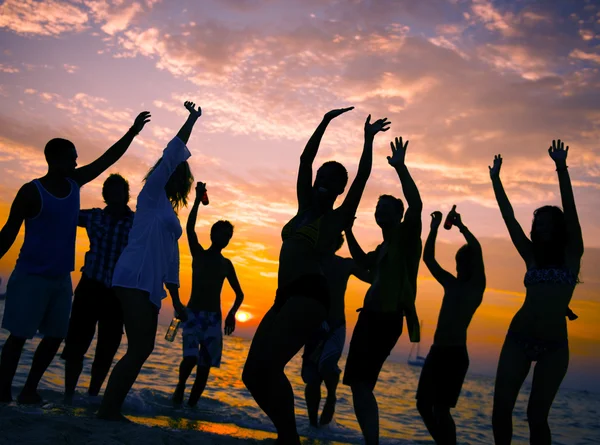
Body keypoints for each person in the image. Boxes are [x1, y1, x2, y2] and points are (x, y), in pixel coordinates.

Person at [242, 108, 390, 444]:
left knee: (269, 368)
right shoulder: (302, 208)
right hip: (285, 295)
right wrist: (324, 122)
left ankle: (289, 436)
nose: (325, 181)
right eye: (322, 176)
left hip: (310, 294)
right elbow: (305, 159)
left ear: (339, 189)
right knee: (252, 373)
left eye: (334, 180)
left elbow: (363, 178)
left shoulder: (338, 218)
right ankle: (288, 435)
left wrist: (367, 140)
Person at [0, 111, 150, 404]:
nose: (76, 163)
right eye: (71, 158)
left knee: (56, 337)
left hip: (61, 279)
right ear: (54, 160)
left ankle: (29, 389)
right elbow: (7, 234)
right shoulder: (32, 191)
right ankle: (3, 391)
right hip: (30, 275)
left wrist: (132, 133)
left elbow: (107, 160)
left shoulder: (75, 184)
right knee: (18, 337)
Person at [97, 101, 201, 421]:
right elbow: (172, 153)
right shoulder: (151, 194)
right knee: (140, 349)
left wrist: (179, 301)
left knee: (141, 350)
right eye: (180, 173)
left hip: (150, 283)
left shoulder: (168, 212)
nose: (183, 178)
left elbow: (173, 261)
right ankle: (108, 411)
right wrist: (191, 119)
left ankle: (109, 409)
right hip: (133, 276)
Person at [490, 140, 584, 445]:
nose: (539, 228)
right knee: (500, 410)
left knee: (536, 417)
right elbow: (509, 219)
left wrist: (560, 167)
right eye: (537, 224)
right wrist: (496, 181)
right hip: (519, 337)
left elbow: (570, 209)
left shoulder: (573, 254)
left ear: (558, 228)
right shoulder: (530, 255)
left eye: (546, 224)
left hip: (554, 346)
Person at [343, 136, 423, 445]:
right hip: (369, 318)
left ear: (399, 215)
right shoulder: (383, 246)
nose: (380, 211)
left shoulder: (406, 238)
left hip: (386, 319)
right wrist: (349, 231)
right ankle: (371, 440)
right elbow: (364, 268)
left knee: (361, 383)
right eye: (378, 207)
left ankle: (372, 442)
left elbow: (416, 204)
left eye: (386, 208)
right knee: (358, 384)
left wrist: (401, 168)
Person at [60, 174, 135, 405]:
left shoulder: (137, 222)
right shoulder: (94, 216)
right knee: (76, 344)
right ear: (104, 195)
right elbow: (65, 212)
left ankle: (93, 396)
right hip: (90, 286)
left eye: (118, 192)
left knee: (107, 348)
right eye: (110, 192)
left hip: (117, 294)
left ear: (125, 195)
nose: (114, 196)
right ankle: (69, 395)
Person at [172, 181, 245, 408]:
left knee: (204, 367)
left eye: (227, 236)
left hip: (214, 319)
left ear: (228, 240)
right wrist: (196, 200)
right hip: (193, 313)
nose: (222, 238)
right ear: (212, 234)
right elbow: (190, 228)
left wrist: (232, 314)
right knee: (191, 359)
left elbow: (239, 294)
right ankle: (180, 387)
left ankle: (191, 407)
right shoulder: (200, 255)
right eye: (219, 233)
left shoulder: (226, 264)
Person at [416, 208, 486, 444]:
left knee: (442, 410)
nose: (458, 268)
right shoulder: (450, 283)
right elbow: (428, 260)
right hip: (437, 351)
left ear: (473, 266)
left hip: (455, 354)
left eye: (463, 264)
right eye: (457, 264)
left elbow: (476, 249)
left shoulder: (476, 287)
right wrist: (434, 229)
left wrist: (461, 226)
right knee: (423, 405)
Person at [302, 233, 370, 428]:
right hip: (314, 324)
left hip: (336, 326)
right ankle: (313, 425)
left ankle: (331, 396)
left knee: (326, 368)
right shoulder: (313, 263)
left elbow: (371, 278)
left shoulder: (345, 264)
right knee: (312, 378)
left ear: (337, 243)